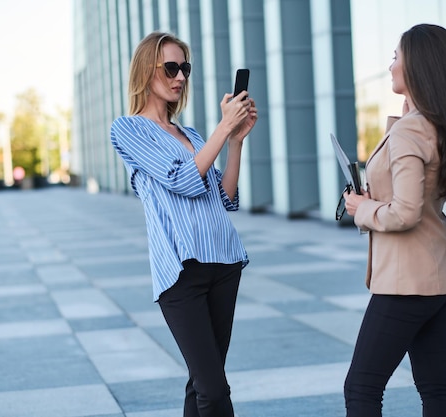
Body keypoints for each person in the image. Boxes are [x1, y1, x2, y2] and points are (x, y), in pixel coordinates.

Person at [342, 24, 446, 416]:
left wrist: (362, 209)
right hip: (439, 275)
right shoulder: (431, 125)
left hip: (406, 282)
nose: (390, 64)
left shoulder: (412, 131)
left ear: (417, 66)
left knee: (361, 388)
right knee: (436, 388)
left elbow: (406, 212)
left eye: (396, 56)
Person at [110, 31, 257, 417]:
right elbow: (182, 180)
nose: (180, 77)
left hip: (224, 263)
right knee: (214, 389)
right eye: (171, 67)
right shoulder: (128, 129)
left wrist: (236, 140)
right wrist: (222, 129)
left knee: (202, 384)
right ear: (147, 70)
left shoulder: (189, 134)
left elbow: (224, 197)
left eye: (184, 68)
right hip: (181, 273)